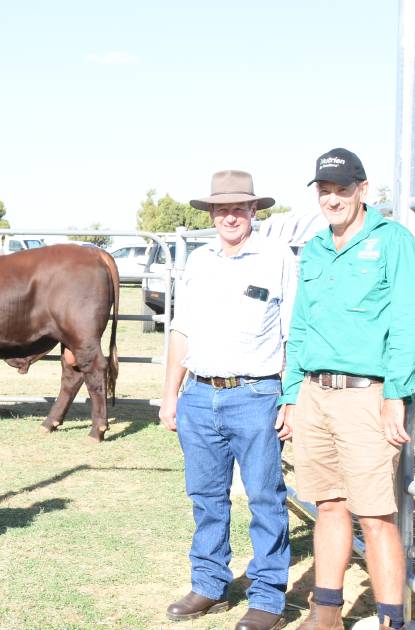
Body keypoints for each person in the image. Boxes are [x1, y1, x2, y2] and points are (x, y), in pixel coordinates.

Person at [277, 148, 415, 630]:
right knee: (327, 504)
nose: (333, 198)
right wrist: (291, 393)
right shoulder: (316, 247)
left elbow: (410, 318)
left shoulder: (393, 241)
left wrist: (394, 395)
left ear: (362, 190)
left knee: (376, 514)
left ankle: (390, 622)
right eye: (325, 190)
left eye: (343, 189)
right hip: (315, 394)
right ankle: (326, 614)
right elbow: (300, 326)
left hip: (367, 395)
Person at [159, 170, 297, 630]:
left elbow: (293, 332)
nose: (231, 216)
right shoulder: (199, 261)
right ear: (212, 214)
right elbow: (182, 329)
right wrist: (169, 395)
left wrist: (291, 398)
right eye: (222, 208)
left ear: (254, 211)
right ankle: (209, 583)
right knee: (205, 496)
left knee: (264, 496)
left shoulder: (277, 258)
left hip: (256, 393)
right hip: (199, 393)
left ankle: (267, 596)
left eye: (240, 207)